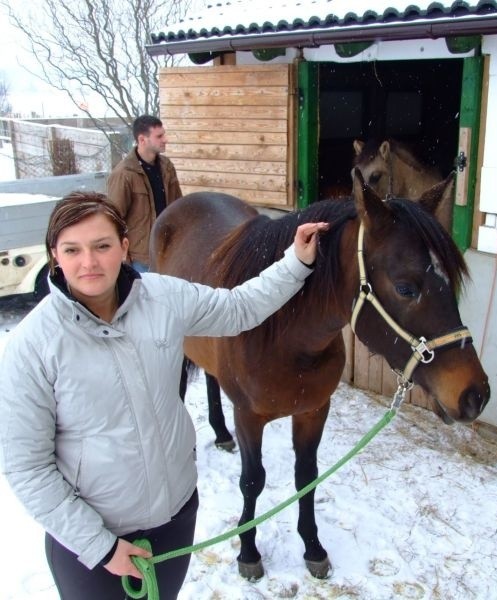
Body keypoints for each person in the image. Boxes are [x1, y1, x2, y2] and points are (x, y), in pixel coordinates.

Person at [0, 191, 329, 600]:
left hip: (174, 520)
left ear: (124, 247)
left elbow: (240, 307)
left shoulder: (162, 298)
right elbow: (27, 468)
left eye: (102, 246)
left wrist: (296, 263)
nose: (89, 262)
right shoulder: (32, 345)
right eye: (73, 249)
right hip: (92, 545)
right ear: (55, 256)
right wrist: (100, 546)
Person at [107, 114, 182, 273]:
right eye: (159, 136)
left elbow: (178, 207)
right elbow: (112, 220)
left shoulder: (166, 167)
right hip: (141, 258)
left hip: (168, 251)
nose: (165, 139)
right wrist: (123, 256)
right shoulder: (124, 174)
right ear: (142, 140)